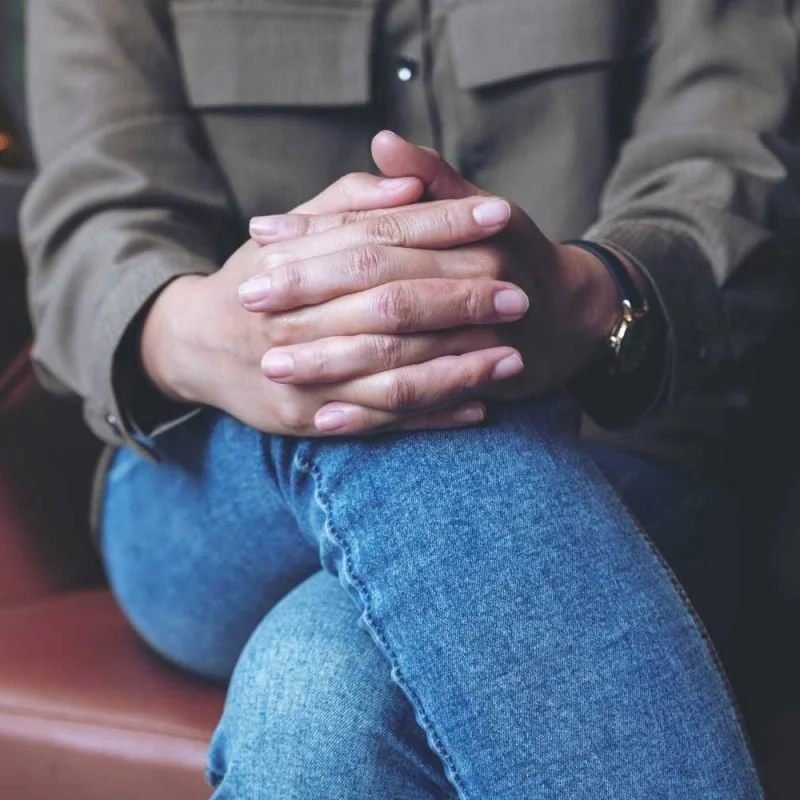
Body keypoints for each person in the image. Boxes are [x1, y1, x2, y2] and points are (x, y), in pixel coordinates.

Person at [20, 0, 799, 797]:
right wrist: (207, 330)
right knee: (416, 391)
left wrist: (587, 296)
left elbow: (729, 158)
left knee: (320, 698)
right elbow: (96, 208)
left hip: (621, 447)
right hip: (210, 476)